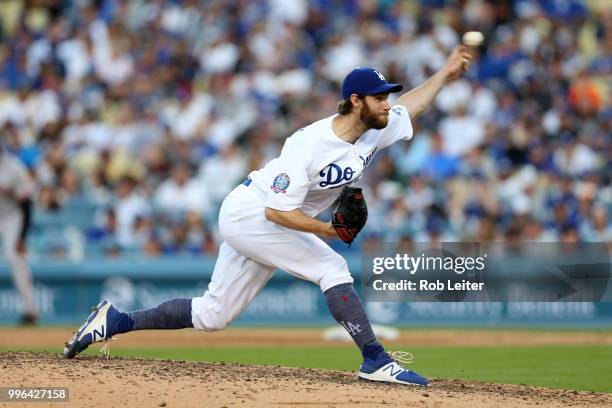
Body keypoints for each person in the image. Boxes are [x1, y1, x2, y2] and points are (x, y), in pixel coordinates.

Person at [63, 46, 474, 386]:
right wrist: (327, 230)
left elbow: (412, 107)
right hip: (250, 215)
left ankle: (112, 320)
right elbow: (277, 212)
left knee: (213, 314)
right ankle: (376, 360)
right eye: (380, 97)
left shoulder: (376, 127)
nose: (387, 104)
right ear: (355, 101)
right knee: (331, 268)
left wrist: (445, 74)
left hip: (266, 220)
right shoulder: (308, 144)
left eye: (386, 96)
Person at [0, 144, 37, 324]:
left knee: (14, 257)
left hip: (11, 216)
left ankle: (29, 310)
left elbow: (27, 203)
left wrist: (22, 238)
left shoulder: (14, 167)